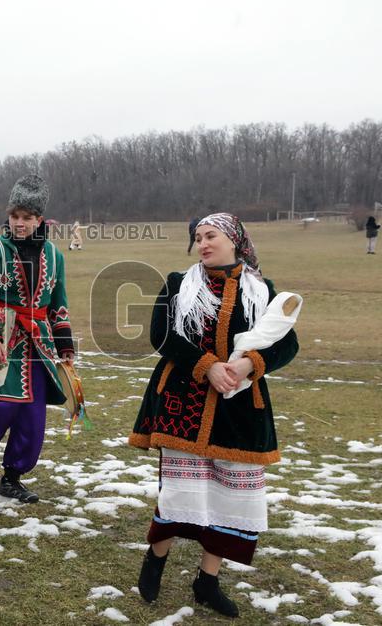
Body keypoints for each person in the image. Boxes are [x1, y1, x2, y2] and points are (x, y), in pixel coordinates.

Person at [129, 213, 298, 618]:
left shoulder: (262, 290)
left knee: (228, 499)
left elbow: (287, 343)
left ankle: (207, 581)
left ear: (234, 241)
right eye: (198, 237)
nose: (203, 243)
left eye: (211, 236)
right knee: (180, 493)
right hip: (181, 404)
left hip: (239, 410)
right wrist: (208, 365)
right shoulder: (178, 284)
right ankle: (156, 558)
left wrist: (249, 365)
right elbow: (162, 335)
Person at [0, 174, 75, 503]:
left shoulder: (55, 256)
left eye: (27, 217)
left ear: (40, 219)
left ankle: (12, 478)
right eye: (15, 217)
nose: (20, 223)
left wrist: (65, 346)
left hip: (39, 343)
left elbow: (58, 303)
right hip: (5, 338)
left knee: (32, 416)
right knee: (1, 408)